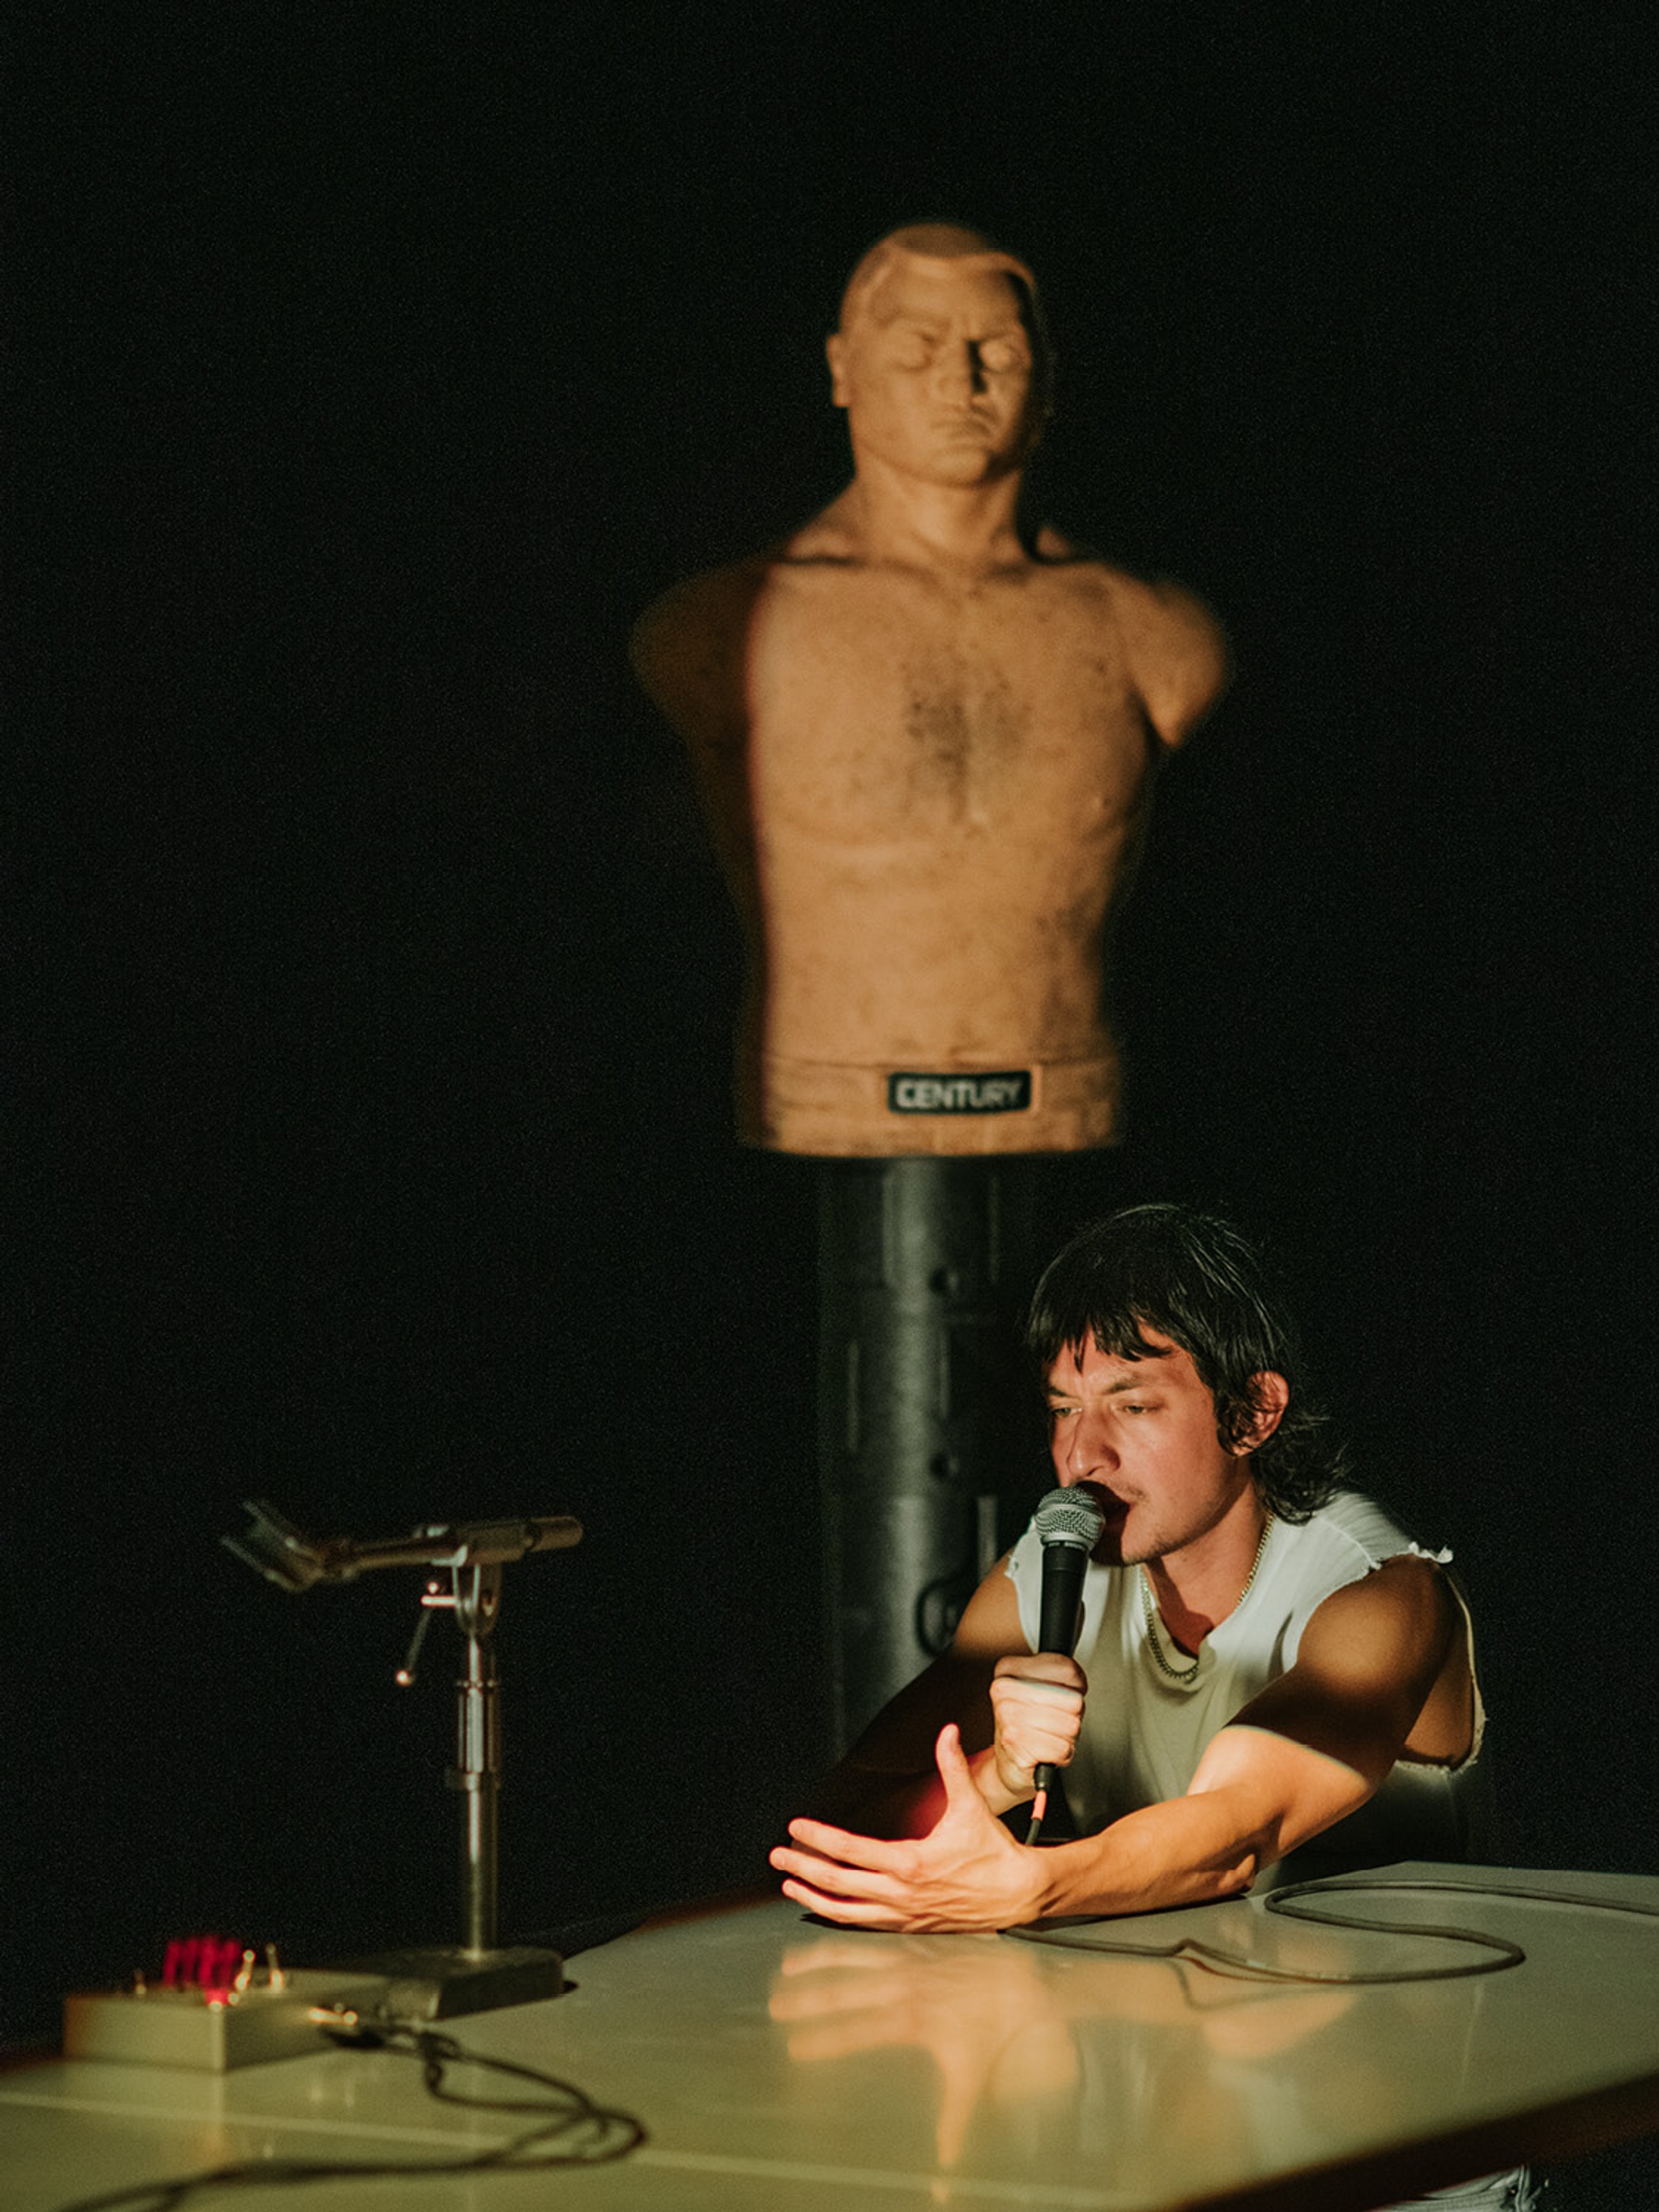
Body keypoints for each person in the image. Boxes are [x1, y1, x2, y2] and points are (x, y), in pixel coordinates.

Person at [632, 225, 1228, 1157]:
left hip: (1067, 1110)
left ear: (1049, 375)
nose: (961, 381)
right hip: (817, 1110)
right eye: (916, 348)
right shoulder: (723, 631)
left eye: (996, 350)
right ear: (841, 367)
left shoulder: (1152, 636)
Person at [771, 1202, 1490, 1933]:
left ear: (1251, 1412)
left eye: (1134, 1406)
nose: (1082, 1456)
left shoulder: (1381, 1591)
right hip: (1169, 2024)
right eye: (1063, 1409)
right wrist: (1002, 1774)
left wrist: (1038, 1886)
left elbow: (1235, 1832)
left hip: (1406, 2025)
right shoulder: (1047, 1575)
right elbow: (832, 1830)